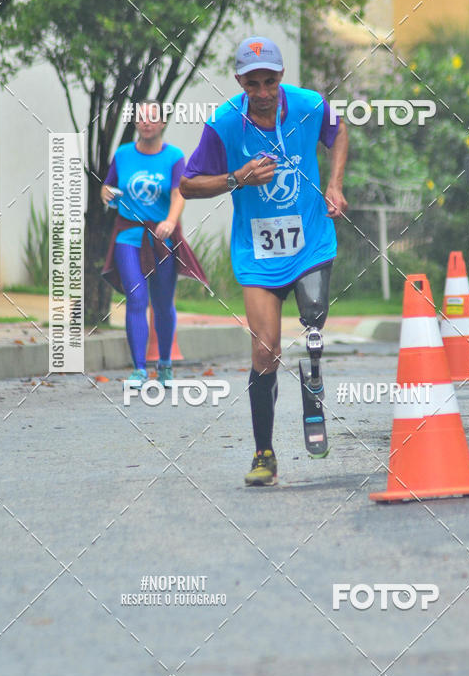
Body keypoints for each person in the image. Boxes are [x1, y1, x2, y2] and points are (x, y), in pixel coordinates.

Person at [180, 36, 348, 485]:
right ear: (239, 82)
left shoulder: (310, 105)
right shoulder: (223, 124)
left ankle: (312, 382)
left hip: (310, 242)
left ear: (281, 78)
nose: (262, 91)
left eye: (269, 81)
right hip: (258, 253)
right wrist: (237, 178)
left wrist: (334, 184)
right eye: (252, 83)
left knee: (313, 324)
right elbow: (189, 186)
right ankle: (263, 454)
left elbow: (338, 130)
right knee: (265, 349)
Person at [101, 100, 206, 388]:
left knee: (162, 303)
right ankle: (138, 369)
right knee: (136, 299)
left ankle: (165, 364)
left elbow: (178, 194)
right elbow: (107, 186)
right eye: (141, 117)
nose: (146, 122)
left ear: (162, 123)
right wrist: (106, 194)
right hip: (129, 236)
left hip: (161, 238)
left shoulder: (174, 157)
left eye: (152, 117)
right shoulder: (122, 155)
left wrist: (171, 221)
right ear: (136, 123)